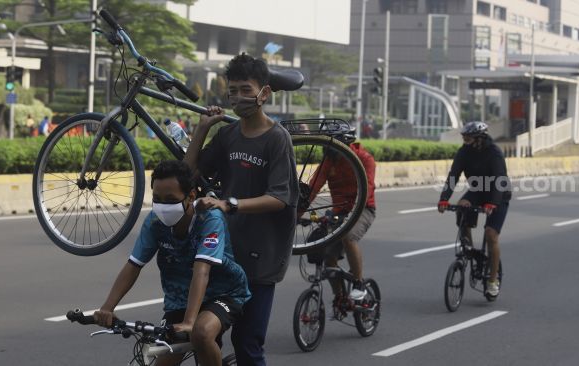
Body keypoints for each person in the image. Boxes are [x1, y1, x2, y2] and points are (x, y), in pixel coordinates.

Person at [184, 53, 298, 366]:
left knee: (248, 345)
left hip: (261, 261)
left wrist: (229, 203)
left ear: (265, 93)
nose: (237, 97)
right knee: (204, 340)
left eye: (245, 89)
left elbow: (279, 197)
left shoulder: (277, 139)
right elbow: (187, 176)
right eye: (232, 90)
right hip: (223, 256)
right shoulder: (228, 135)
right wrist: (203, 129)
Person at [94, 160, 250, 366]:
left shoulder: (210, 219)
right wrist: (107, 308)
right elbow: (133, 265)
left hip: (224, 292)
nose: (162, 206)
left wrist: (189, 322)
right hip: (179, 299)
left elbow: (201, 271)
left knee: (201, 333)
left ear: (191, 196)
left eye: (170, 199)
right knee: (163, 358)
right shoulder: (154, 222)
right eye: (157, 199)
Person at [437, 121, 511, 298]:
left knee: (491, 234)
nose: (465, 141)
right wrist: (444, 199)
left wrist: (493, 203)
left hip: (498, 194)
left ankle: (492, 281)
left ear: (480, 138)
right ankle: (468, 247)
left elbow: (500, 179)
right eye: (463, 137)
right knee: (462, 207)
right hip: (478, 190)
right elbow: (453, 175)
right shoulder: (464, 152)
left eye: (468, 138)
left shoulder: (494, 153)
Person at [305, 127, 376, 301]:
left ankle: (359, 282)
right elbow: (312, 189)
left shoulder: (364, 159)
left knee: (348, 236)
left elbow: (366, 190)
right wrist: (295, 214)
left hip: (363, 208)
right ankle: (340, 298)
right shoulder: (329, 161)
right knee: (329, 256)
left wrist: (351, 214)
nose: (328, 148)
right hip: (339, 212)